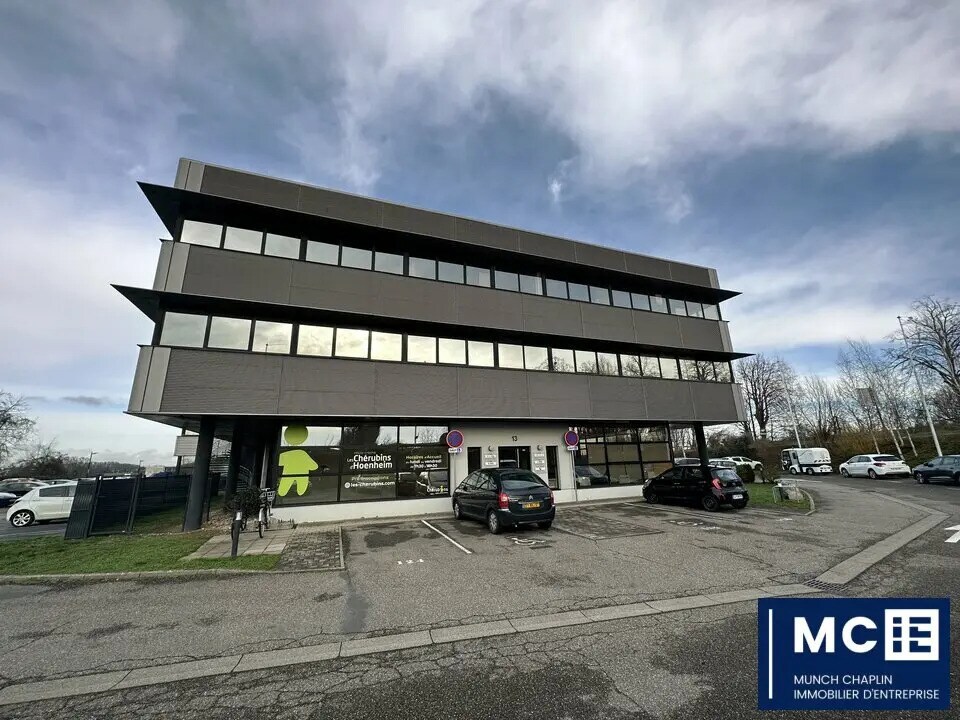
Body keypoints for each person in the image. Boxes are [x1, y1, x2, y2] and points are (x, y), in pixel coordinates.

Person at [277, 425, 318, 496]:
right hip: (302, 475)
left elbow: (277, 461)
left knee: (284, 487)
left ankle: (282, 493)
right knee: (301, 487)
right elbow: (314, 466)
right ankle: (299, 493)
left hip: (288, 474)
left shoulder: (286, 454)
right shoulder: (303, 454)